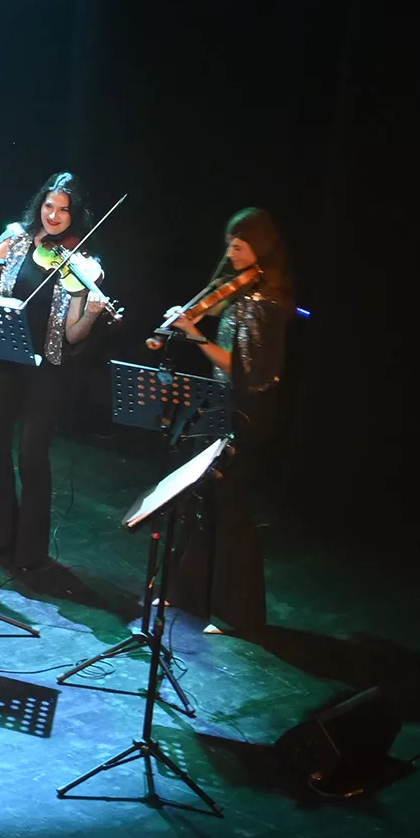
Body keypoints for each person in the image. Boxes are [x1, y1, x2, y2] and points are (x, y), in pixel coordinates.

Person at [0, 172, 110, 571]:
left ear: (75, 215)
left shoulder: (82, 262)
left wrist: (92, 315)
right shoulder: (16, 237)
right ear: (39, 205)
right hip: (3, 354)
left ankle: (31, 551)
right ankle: (0, 539)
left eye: (63, 210)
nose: (54, 216)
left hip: (48, 367)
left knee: (31, 455)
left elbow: (73, 334)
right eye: (49, 206)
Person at [161, 208, 294, 632]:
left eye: (238, 247)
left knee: (231, 510)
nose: (230, 255)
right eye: (229, 246)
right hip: (224, 405)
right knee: (203, 500)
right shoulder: (244, 292)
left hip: (248, 411)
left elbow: (241, 368)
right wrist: (190, 314)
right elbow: (216, 309)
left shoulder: (265, 302)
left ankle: (237, 614)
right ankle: (190, 597)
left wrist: (194, 335)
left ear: (259, 248)